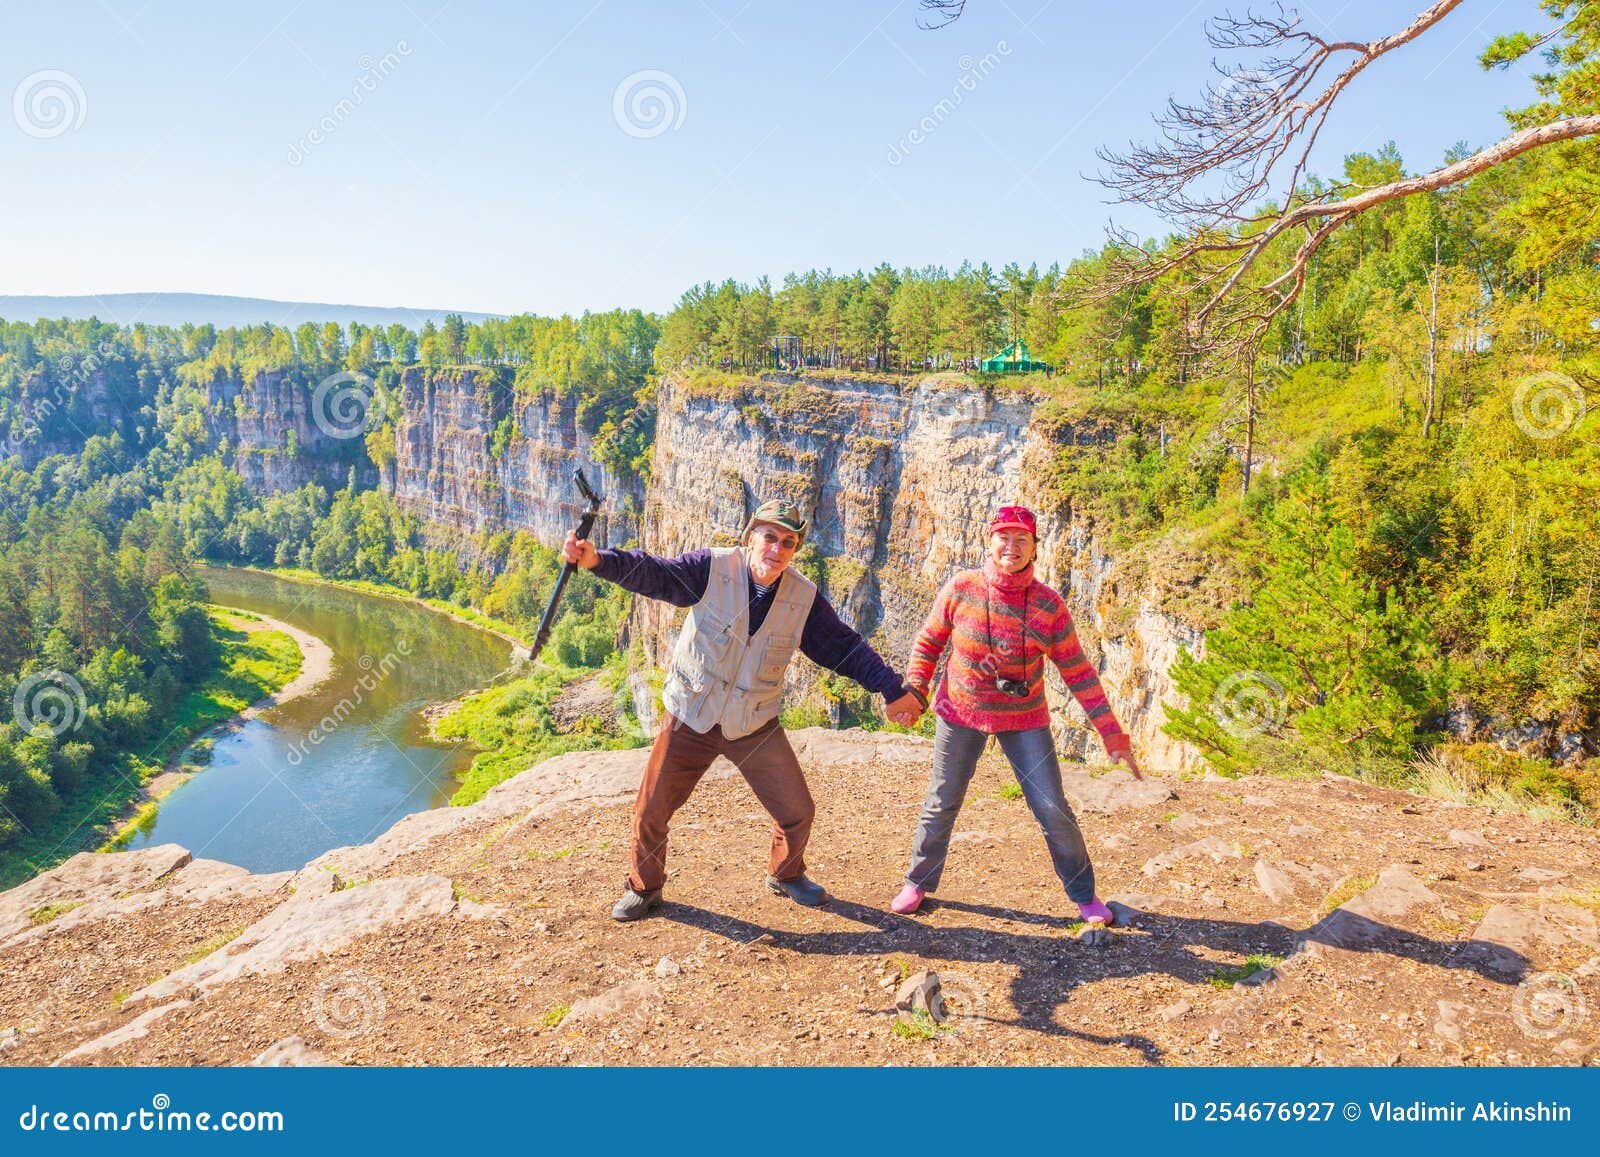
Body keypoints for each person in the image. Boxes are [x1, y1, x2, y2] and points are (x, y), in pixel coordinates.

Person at [562, 498, 926, 921]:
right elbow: (656, 574)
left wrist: (892, 689)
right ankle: (645, 887)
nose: (776, 548)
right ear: (751, 537)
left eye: (788, 542)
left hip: (753, 722)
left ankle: (785, 874)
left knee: (797, 811)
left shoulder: (802, 597)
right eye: (769, 536)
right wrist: (597, 561)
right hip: (692, 714)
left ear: (793, 551)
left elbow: (842, 648)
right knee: (651, 809)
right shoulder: (710, 568)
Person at [891, 504, 1142, 924]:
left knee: (1051, 807)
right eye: (1004, 537)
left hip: (1024, 718)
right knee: (942, 800)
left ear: (1034, 548)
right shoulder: (961, 588)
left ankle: (1084, 894)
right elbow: (929, 642)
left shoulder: (1048, 606)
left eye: (1021, 539)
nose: (1011, 546)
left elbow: (1077, 671)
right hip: (960, 710)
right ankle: (917, 882)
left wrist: (1111, 731)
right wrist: (916, 689)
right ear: (989, 542)